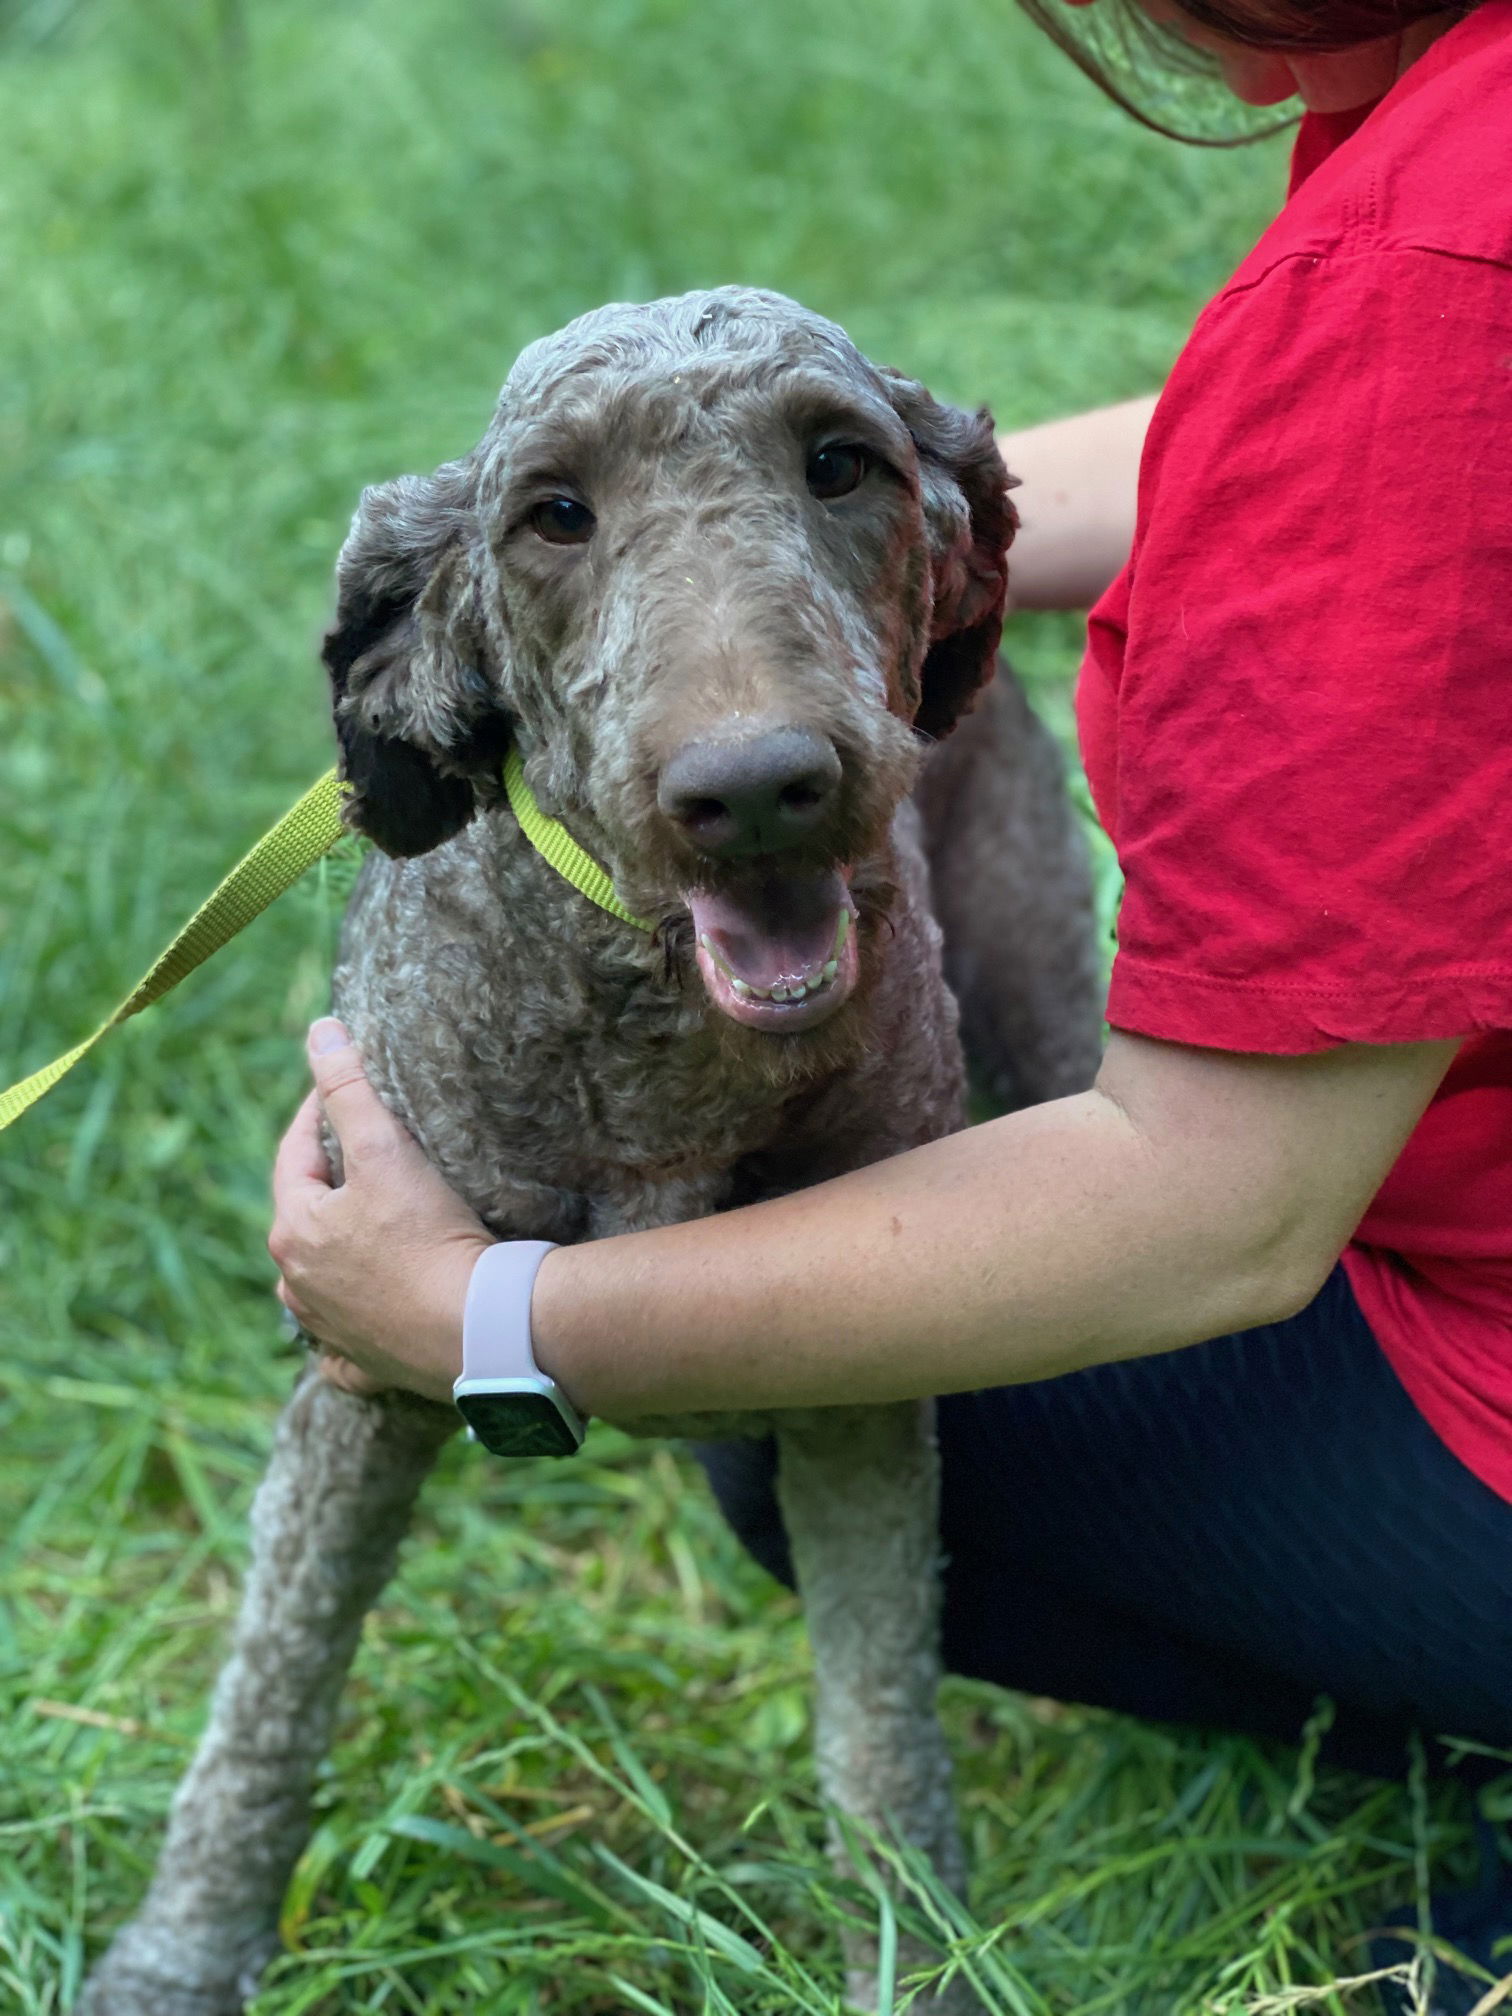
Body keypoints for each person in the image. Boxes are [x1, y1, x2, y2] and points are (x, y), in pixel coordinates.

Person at [270, 0, 1512, 1996]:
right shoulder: (1454, 181)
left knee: (805, 1391)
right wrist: (802, 529)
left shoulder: (1425, 275)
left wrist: (482, 1319)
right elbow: (1323, 469)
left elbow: (1216, 1208)